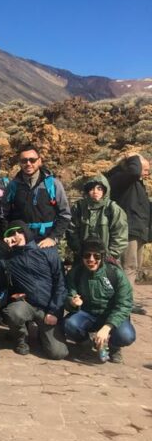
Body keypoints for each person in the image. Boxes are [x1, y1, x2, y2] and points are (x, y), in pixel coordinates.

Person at [0, 221, 68, 360]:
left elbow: (60, 284)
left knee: (58, 353)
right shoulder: (9, 257)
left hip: (48, 309)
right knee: (13, 312)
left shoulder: (47, 250)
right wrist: (1, 247)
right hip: (27, 304)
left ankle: (43, 334)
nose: (16, 235)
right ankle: (21, 339)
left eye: (20, 231)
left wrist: (53, 311)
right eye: (12, 233)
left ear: (27, 232)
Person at [64, 237, 136, 364]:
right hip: (88, 314)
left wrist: (107, 327)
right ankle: (86, 343)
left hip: (111, 315)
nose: (91, 260)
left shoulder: (115, 273)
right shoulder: (76, 273)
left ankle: (114, 347)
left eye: (96, 256)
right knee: (68, 324)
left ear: (102, 257)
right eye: (87, 255)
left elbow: (125, 304)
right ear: (82, 257)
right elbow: (68, 295)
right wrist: (72, 302)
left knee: (127, 336)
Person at [106, 153, 149, 315]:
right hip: (127, 230)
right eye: (144, 169)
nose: (145, 173)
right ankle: (124, 302)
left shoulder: (135, 184)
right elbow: (133, 172)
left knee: (132, 267)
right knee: (127, 266)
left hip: (137, 231)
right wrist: (134, 156)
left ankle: (126, 299)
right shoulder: (122, 178)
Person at [6, 144, 71, 248]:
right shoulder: (13, 186)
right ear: (19, 163)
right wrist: (11, 235)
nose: (28, 163)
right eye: (24, 161)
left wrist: (53, 238)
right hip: (21, 243)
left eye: (32, 160)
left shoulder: (52, 184)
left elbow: (65, 215)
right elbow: (5, 215)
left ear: (39, 161)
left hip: (46, 243)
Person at [66, 174, 128, 260]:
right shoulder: (79, 208)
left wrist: (109, 256)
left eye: (99, 189)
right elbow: (71, 232)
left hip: (108, 260)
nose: (95, 192)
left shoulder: (113, 209)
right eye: (92, 189)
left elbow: (120, 237)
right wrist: (81, 252)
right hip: (83, 258)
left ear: (105, 190)